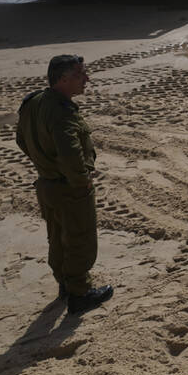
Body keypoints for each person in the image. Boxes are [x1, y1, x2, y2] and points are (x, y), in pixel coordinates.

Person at [15, 55, 114, 314]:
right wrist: (82, 183)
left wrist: (45, 163)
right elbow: (72, 156)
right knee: (80, 240)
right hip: (68, 188)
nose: (87, 79)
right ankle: (79, 294)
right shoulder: (61, 113)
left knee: (57, 238)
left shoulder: (34, 102)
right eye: (81, 74)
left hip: (46, 184)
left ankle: (65, 285)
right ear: (63, 79)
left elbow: (21, 140)